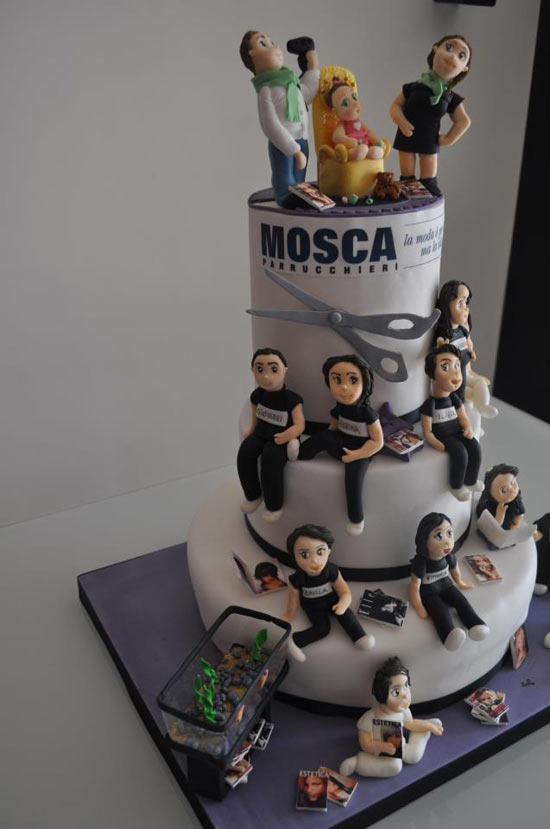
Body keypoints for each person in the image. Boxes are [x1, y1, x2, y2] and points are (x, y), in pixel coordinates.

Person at [299, 354, 384, 535]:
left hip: (360, 451)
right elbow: (334, 422)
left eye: (353, 380)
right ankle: (299, 453)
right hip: (341, 442)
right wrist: (330, 432)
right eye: (337, 380)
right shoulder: (340, 407)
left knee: (353, 479)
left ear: (365, 383)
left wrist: (357, 454)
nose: (344, 387)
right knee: (321, 437)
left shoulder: (368, 414)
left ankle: (356, 518)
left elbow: (378, 441)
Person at [239, 31, 319, 208]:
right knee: (284, 174)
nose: (275, 47)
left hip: (302, 139)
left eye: (272, 42)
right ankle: (284, 196)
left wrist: (312, 65)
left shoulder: (290, 81)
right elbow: (270, 125)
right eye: (263, 44)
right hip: (283, 144)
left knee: (299, 176)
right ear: (253, 55)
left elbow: (307, 94)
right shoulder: (266, 91)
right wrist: (293, 150)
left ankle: (300, 194)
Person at [390, 34, 472, 196]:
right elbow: (395, 106)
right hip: (406, 134)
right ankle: (408, 189)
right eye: (449, 47)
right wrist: (402, 122)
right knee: (407, 168)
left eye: (461, 56)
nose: (452, 56)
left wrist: (447, 139)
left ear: (464, 68)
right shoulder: (414, 87)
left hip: (429, 139)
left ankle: (428, 191)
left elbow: (463, 121)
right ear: (435, 49)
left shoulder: (450, 96)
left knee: (428, 173)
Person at [281, 524, 375, 662]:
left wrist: (343, 603)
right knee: (322, 629)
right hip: (312, 606)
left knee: (346, 614)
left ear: (329, 551)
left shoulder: (331, 570)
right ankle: (296, 641)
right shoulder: (297, 578)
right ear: (294, 557)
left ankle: (360, 637)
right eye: (304, 555)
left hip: (332, 600)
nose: (314, 560)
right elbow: (292, 597)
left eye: (320, 552)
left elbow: (344, 591)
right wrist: (289, 614)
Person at [339, 656, 443, 778]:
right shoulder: (371, 717)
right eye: (396, 692)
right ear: (382, 694)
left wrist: (429, 726)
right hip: (378, 752)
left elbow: (410, 723)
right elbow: (365, 743)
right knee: (395, 766)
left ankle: (424, 732)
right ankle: (357, 763)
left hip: (399, 745)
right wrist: (382, 747)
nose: (405, 695)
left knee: (414, 757)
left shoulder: (403, 711)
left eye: (406, 686)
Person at [237, 348, 304, 522]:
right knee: (245, 453)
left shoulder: (292, 399)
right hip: (262, 433)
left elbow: (300, 425)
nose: (266, 376)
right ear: (252, 370)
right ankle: (253, 495)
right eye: (260, 369)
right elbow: (256, 416)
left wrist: (288, 435)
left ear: (284, 370)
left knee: (270, 460)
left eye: (273, 369)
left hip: (281, 438)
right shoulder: (257, 395)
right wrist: (251, 430)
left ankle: (274, 505)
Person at [409, 513, 490, 650]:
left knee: (461, 601)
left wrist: (461, 583)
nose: (447, 541)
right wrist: (419, 606)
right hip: (429, 593)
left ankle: (476, 624)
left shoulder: (448, 557)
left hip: (446, 586)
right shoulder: (421, 563)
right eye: (439, 536)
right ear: (424, 540)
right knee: (440, 611)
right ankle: (448, 635)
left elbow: (455, 571)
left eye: (449, 533)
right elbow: (414, 586)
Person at [421, 344, 482, 501]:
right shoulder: (430, 404)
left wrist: (468, 427)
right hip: (444, 437)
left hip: (457, 431)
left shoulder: (454, 398)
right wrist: (435, 442)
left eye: (456, 366)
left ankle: (471, 480)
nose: (456, 373)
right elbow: (427, 430)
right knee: (460, 453)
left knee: (475, 447)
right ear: (432, 374)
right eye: (445, 367)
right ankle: (456, 486)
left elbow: (462, 416)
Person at [434, 280, 497, 416]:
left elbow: (467, 347)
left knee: (481, 383)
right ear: (447, 306)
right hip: (455, 377)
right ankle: (465, 415)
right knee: (465, 398)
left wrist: (471, 352)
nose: (465, 309)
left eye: (466, 302)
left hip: (466, 371)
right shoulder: (445, 336)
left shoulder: (463, 331)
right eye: (460, 303)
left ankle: (482, 407)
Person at [325, 80, 384, 162]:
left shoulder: (360, 123)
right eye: (345, 103)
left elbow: (369, 132)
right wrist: (350, 142)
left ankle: (372, 152)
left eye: (354, 97)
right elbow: (337, 137)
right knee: (360, 150)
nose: (355, 104)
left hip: (366, 145)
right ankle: (358, 153)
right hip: (351, 149)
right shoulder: (342, 125)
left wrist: (377, 141)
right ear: (335, 111)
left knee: (375, 151)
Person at [476, 463, 525, 530]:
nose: (512, 490)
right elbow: (489, 529)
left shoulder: (516, 500)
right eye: (504, 490)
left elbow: (520, 515)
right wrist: (499, 518)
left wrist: (513, 528)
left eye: (512, 483)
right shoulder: (487, 507)